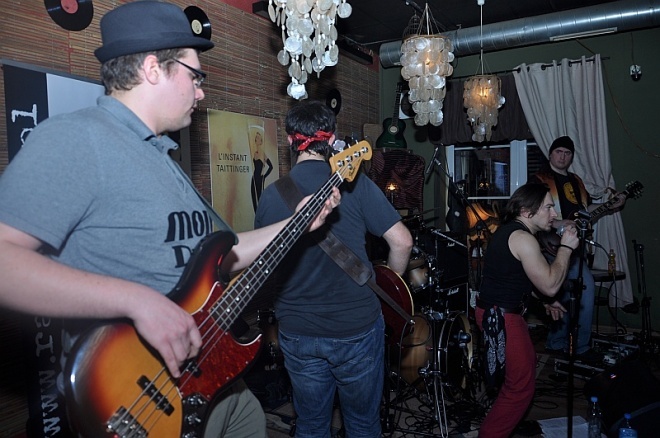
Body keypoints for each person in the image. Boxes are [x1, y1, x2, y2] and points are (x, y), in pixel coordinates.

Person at [0, 2, 339, 437]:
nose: (200, 92)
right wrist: (137, 301)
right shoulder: (78, 139)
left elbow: (225, 255)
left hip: (210, 377)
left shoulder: (161, 156)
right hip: (140, 394)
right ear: (152, 69)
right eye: (195, 76)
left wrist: (298, 222)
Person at [254, 100, 413, 438]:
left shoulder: (271, 196)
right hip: (356, 326)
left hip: (298, 329)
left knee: (311, 425)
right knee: (363, 425)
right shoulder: (354, 183)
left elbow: (263, 265)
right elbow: (402, 242)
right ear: (333, 138)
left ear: (289, 140)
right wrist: (390, 284)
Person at [475, 183, 579, 438]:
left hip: (499, 312)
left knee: (524, 368)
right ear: (526, 211)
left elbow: (515, 278)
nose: (554, 214)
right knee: (520, 387)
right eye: (548, 207)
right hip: (502, 317)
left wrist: (543, 301)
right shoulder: (522, 238)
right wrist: (566, 248)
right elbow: (551, 285)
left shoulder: (512, 232)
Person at [529, 135, 626, 361]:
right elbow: (531, 212)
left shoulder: (576, 181)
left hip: (573, 249)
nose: (562, 157)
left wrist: (609, 205)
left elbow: (586, 209)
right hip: (548, 247)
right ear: (550, 154)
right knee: (568, 291)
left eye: (567, 153)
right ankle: (565, 345)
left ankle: (573, 346)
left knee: (580, 291)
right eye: (559, 152)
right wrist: (557, 223)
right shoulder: (538, 179)